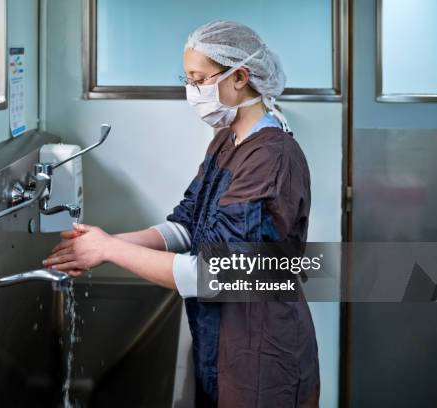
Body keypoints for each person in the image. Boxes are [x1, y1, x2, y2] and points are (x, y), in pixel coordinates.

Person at [43, 20, 320, 407]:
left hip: (261, 352)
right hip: (224, 343)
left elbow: (214, 275)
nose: (191, 91)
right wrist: (101, 243)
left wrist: (110, 251)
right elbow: (188, 225)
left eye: (199, 79)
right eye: (188, 79)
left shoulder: (271, 157)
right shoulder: (227, 139)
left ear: (240, 77)